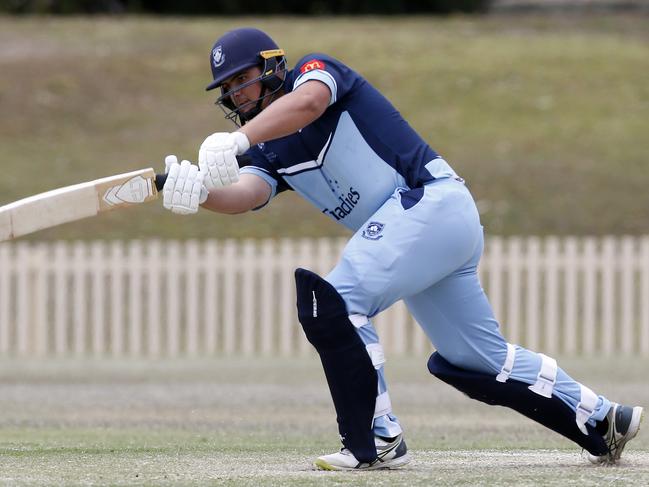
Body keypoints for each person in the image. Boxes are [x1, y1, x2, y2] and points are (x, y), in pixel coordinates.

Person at [161, 27, 643, 470]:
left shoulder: (315, 71)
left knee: (338, 301)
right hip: (420, 230)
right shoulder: (267, 151)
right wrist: (196, 193)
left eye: (242, 78)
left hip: (429, 202)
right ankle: (604, 419)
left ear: (273, 67)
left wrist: (239, 137)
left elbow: (308, 105)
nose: (235, 92)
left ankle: (376, 439)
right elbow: (247, 195)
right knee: (478, 360)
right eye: (227, 87)